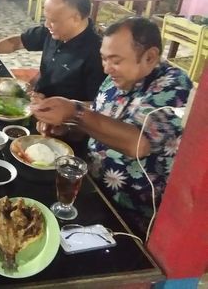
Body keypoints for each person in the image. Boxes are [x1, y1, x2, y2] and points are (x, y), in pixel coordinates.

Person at [31, 17, 193, 236]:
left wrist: (74, 112)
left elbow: (138, 144)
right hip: (90, 186)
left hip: (126, 213)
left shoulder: (173, 86)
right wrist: (67, 126)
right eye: (104, 59)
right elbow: (99, 120)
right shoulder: (114, 80)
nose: (107, 69)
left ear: (150, 56)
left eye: (115, 60)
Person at [0, 0, 105, 102]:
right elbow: (18, 41)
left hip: (63, 126)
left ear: (76, 18)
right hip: (35, 103)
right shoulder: (53, 31)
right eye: (46, 19)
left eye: (53, 21)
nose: (47, 24)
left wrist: (59, 106)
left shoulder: (98, 54)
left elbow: (96, 108)